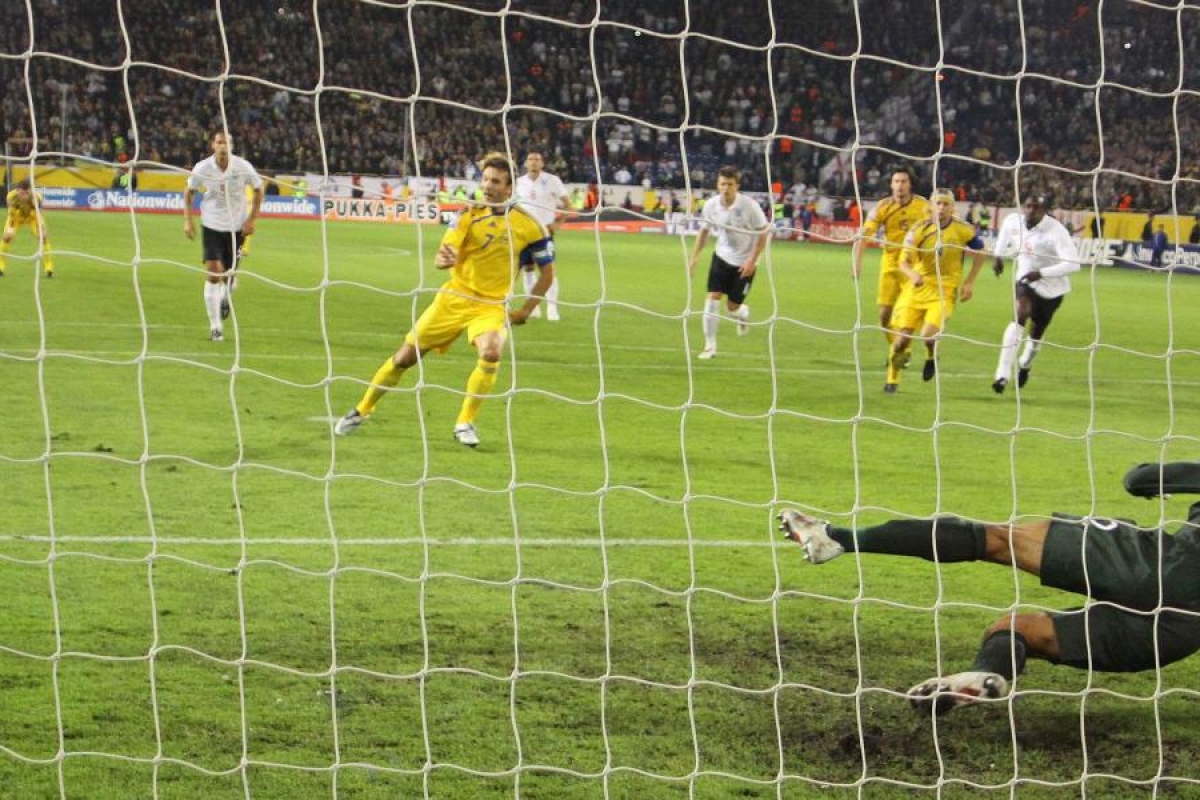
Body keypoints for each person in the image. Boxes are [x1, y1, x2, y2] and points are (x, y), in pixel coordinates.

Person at [777, 459, 1200, 716]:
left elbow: (1139, 480)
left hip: (1165, 567)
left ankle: (837, 539)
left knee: (998, 540)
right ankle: (988, 675)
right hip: (1182, 631)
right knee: (1016, 629)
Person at [334, 151, 555, 448]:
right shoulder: (467, 215)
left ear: (509, 187)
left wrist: (526, 310)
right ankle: (362, 409)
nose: (488, 186)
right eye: (486, 179)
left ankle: (464, 422)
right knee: (404, 358)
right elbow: (443, 255)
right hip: (454, 298)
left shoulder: (529, 225)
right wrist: (443, 259)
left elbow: (547, 274)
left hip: (490, 306)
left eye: (496, 181)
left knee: (491, 353)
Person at [886, 189, 986, 393]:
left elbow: (981, 252)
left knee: (927, 335)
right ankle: (892, 380)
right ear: (931, 206)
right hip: (917, 288)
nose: (941, 208)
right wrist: (912, 274)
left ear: (952, 207)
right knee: (900, 342)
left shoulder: (963, 230)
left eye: (945, 204)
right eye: (938, 204)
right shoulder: (919, 229)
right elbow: (902, 261)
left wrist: (969, 282)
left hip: (944, 290)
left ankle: (931, 356)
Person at [990, 193, 1078, 393]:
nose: (1030, 211)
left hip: (1052, 290)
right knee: (1019, 315)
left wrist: (1041, 273)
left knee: (1036, 334)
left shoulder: (1056, 231)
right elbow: (1005, 233)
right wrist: (998, 255)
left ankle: (1025, 364)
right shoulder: (1014, 221)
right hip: (1025, 281)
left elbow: (1073, 264)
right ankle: (1002, 374)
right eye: (1027, 206)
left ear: (1044, 211)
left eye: (1035, 208)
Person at [182, 131, 264, 342]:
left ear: (231, 146)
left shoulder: (242, 166)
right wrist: (188, 221)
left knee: (229, 275)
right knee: (213, 272)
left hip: (237, 227)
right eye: (219, 142)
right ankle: (216, 327)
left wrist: (252, 219)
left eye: (226, 142)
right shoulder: (202, 168)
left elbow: (259, 189)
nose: (222, 146)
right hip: (211, 224)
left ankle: (226, 295)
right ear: (213, 145)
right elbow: (189, 192)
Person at [687, 165, 771, 360]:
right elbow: (704, 232)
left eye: (730, 185)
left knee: (732, 308)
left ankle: (742, 314)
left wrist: (752, 260)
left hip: (745, 262)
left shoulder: (750, 206)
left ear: (737, 186)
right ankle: (710, 347)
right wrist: (694, 257)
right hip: (722, 257)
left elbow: (764, 232)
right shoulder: (711, 205)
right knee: (712, 298)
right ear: (718, 185)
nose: (726, 188)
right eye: (723, 184)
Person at [852, 166, 932, 361]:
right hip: (889, 265)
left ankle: (899, 352)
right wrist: (856, 264)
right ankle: (900, 350)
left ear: (910, 185)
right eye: (896, 182)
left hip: (913, 268)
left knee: (905, 315)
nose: (900, 186)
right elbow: (864, 236)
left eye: (904, 182)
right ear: (891, 184)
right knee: (884, 317)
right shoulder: (883, 207)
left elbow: (936, 231)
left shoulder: (924, 206)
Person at [514, 150, 570, 321]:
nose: (533, 162)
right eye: (530, 159)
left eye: (537, 159)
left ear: (542, 163)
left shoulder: (552, 181)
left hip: (544, 234)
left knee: (548, 270)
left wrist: (558, 224)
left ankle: (552, 308)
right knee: (528, 269)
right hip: (523, 234)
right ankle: (534, 307)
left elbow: (568, 205)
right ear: (525, 163)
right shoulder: (518, 182)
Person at [1, 179, 54, 278]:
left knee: (44, 237)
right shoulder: (11, 197)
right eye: (22, 193)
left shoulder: (36, 197)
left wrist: (42, 228)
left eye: (26, 193)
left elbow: (40, 214)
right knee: (6, 237)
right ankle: (1, 267)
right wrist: (10, 230)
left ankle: (49, 268)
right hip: (17, 217)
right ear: (17, 191)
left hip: (32, 217)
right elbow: (11, 215)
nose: (24, 196)